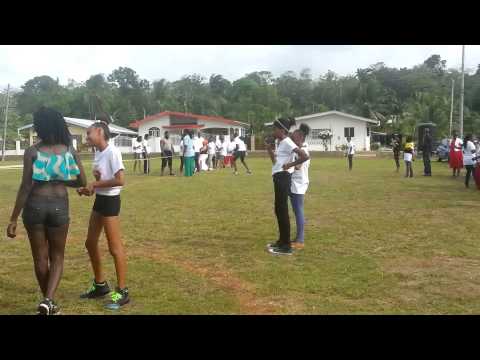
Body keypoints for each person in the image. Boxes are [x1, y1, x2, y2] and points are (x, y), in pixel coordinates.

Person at [6, 107, 87, 315]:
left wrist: (13, 218)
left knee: (40, 259)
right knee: (57, 256)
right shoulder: (69, 150)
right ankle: (49, 300)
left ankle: (48, 303)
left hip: (34, 206)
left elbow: (25, 187)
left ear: (40, 127)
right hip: (59, 206)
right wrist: (60, 179)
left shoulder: (32, 151)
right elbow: (81, 181)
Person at [77, 117, 129, 310]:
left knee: (114, 247)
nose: (87, 136)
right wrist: (88, 189)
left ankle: (122, 291)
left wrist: (95, 184)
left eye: (89, 133)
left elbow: (120, 180)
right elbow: (101, 181)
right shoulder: (98, 153)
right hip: (100, 199)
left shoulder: (112, 151)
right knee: (90, 242)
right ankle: (100, 285)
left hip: (111, 201)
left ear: (100, 132)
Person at [265, 117, 309, 255]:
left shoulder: (288, 142)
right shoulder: (282, 142)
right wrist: (269, 149)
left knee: (282, 211)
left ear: (282, 130)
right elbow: (276, 162)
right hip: (279, 177)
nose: (273, 131)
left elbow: (304, 156)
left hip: (283, 178)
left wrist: (289, 165)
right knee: (279, 210)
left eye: (275, 129)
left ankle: (286, 246)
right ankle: (281, 241)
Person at [289, 124, 311, 250]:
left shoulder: (303, 151)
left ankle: (300, 240)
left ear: (301, 138)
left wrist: (287, 165)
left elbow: (298, 167)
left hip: (298, 184)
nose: (292, 140)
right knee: (298, 210)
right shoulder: (301, 149)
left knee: (298, 210)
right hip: (297, 183)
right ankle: (302, 222)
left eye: (294, 138)